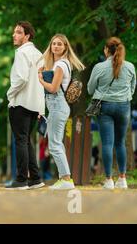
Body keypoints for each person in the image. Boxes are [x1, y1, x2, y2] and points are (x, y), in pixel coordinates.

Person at [87, 37, 136, 190]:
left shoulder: (99, 67)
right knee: (120, 143)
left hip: (105, 107)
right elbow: (132, 88)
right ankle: (122, 179)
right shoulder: (130, 67)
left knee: (107, 143)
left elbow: (90, 89)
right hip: (123, 106)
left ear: (107, 50)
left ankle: (108, 180)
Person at [38, 34, 85, 190]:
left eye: (59, 44)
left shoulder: (61, 65)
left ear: (65, 47)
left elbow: (53, 88)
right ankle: (64, 178)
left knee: (55, 144)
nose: (56, 46)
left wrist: (40, 79)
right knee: (57, 143)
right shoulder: (58, 63)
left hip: (58, 105)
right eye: (54, 44)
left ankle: (66, 179)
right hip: (56, 106)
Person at [6, 21, 45, 190]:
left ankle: (21, 180)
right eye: (14, 32)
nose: (14, 35)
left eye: (18, 32)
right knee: (26, 141)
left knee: (21, 140)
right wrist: (41, 108)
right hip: (35, 104)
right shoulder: (39, 54)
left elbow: (21, 78)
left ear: (27, 36)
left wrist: (10, 94)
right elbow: (42, 81)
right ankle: (35, 178)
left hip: (21, 102)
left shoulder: (22, 53)